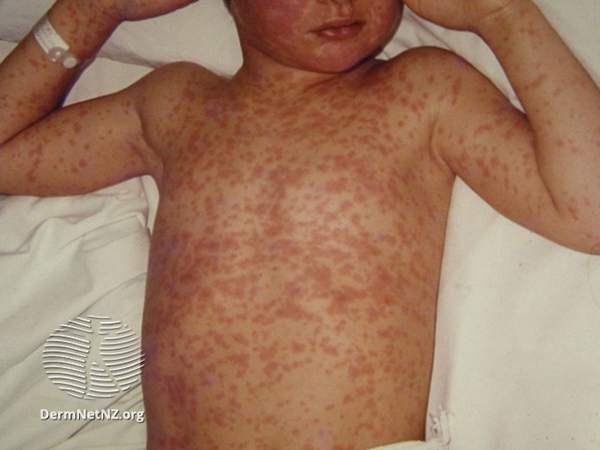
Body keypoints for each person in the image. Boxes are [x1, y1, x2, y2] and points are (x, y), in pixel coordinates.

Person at [0, 0, 598, 448]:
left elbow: (587, 210)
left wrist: (503, 14)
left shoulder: (420, 92)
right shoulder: (176, 105)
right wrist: (90, 10)